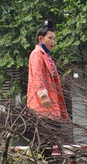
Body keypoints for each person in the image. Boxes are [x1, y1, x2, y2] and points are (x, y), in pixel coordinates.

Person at [26, 19, 68, 153]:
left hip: (50, 106)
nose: (53, 42)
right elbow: (38, 78)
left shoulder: (47, 57)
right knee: (43, 144)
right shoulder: (36, 54)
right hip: (43, 107)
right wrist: (44, 98)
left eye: (54, 39)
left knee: (48, 143)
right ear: (40, 38)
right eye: (50, 38)